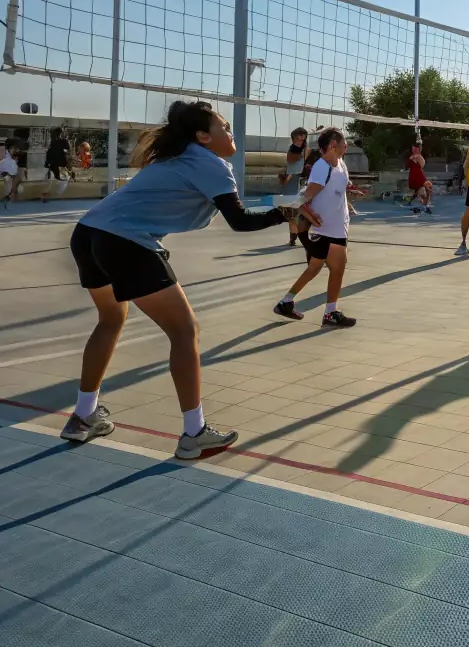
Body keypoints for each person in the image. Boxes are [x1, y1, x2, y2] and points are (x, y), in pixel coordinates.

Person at [60, 100, 305, 458]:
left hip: (88, 233)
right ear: (203, 136)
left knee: (111, 318)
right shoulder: (211, 164)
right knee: (185, 331)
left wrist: (281, 209)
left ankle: (83, 416)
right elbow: (239, 221)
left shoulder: (181, 157)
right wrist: (284, 214)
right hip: (123, 242)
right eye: (224, 126)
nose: (231, 132)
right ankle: (194, 433)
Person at [274, 126, 357, 327]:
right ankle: (331, 312)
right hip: (330, 229)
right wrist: (309, 215)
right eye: (343, 142)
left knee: (314, 268)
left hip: (335, 226)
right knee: (338, 268)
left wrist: (347, 198)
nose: (347, 145)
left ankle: (286, 302)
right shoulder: (322, 167)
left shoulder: (340, 164)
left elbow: (337, 188)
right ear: (333, 145)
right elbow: (301, 199)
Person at [281, 127, 310, 247]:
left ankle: (302, 236)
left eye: (303, 136)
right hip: (293, 182)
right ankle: (293, 237)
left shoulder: (306, 150)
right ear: (294, 138)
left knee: (304, 212)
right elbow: (291, 161)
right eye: (299, 137)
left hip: (303, 182)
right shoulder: (293, 150)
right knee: (292, 212)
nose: (301, 139)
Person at [41, 127, 72, 203]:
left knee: (51, 180)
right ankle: (55, 194)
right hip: (58, 164)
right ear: (61, 133)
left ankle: (46, 195)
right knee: (64, 179)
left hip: (51, 163)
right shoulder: (63, 142)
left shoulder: (52, 142)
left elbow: (49, 152)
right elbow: (68, 154)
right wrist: (69, 165)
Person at [0, 137, 22, 204]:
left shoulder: (5, 158)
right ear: (11, 148)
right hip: (5, 191)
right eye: (16, 148)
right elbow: (13, 177)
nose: (18, 150)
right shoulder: (9, 161)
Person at [406, 142, 433, 214]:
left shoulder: (419, 157)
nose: (413, 149)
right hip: (413, 176)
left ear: (418, 149)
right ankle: (424, 204)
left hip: (419, 176)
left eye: (415, 148)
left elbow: (422, 165)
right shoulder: (411, 157)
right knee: (419, 191)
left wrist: (416, 159)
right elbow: (407, 166)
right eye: (413, 148)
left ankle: (426, 205)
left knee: (426, 189)